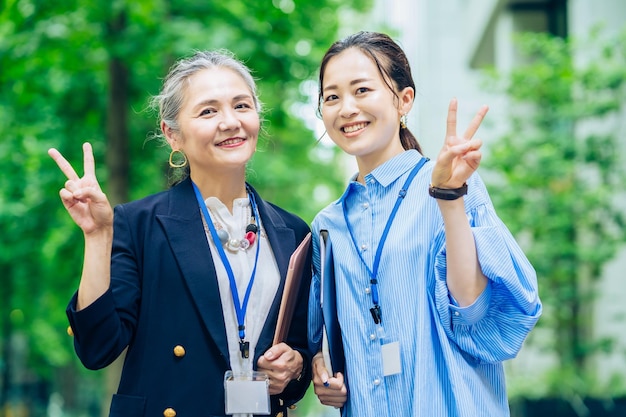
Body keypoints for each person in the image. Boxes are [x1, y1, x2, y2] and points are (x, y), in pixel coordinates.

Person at [48, 50, 312, 417]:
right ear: (172, 135)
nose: (230, 121)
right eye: (208, 111)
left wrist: (294, 365)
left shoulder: (294, 231)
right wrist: (97, 236)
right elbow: (97, 348)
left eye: (241, 106)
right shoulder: (136, 223)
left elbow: (299, 350)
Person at [307, 31, 542, 416]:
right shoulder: (326, 226)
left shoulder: (451, 184)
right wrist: (321, 366)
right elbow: (321, 340)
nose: (346, 108)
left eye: (362, 90)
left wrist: (449, 197)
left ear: (404, 100)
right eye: (332, 97)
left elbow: (474, 312)